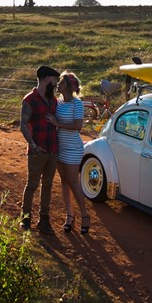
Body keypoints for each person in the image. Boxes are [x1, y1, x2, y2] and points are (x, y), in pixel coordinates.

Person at [19, 65, 60, 234]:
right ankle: (25, 218)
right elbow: (23, 126)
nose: (56, 83)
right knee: (32, 185)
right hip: (38, 150)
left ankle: (44, 220)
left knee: (48, 185)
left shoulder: (53, 100)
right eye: (55, 80)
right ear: (47, 79)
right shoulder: (29, 100)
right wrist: (33, 146)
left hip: (52, 149)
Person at [55, 70, 90, 234]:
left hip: (73, 148)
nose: (58, 84)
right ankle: (70, 216)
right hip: (59, 147)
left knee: (73, 181)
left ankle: (84, 215)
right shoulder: (58, 102)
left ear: (68, 87)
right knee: (64, 180)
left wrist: (57, 123)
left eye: (61, 83)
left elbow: (78, 126)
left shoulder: (77, 104)